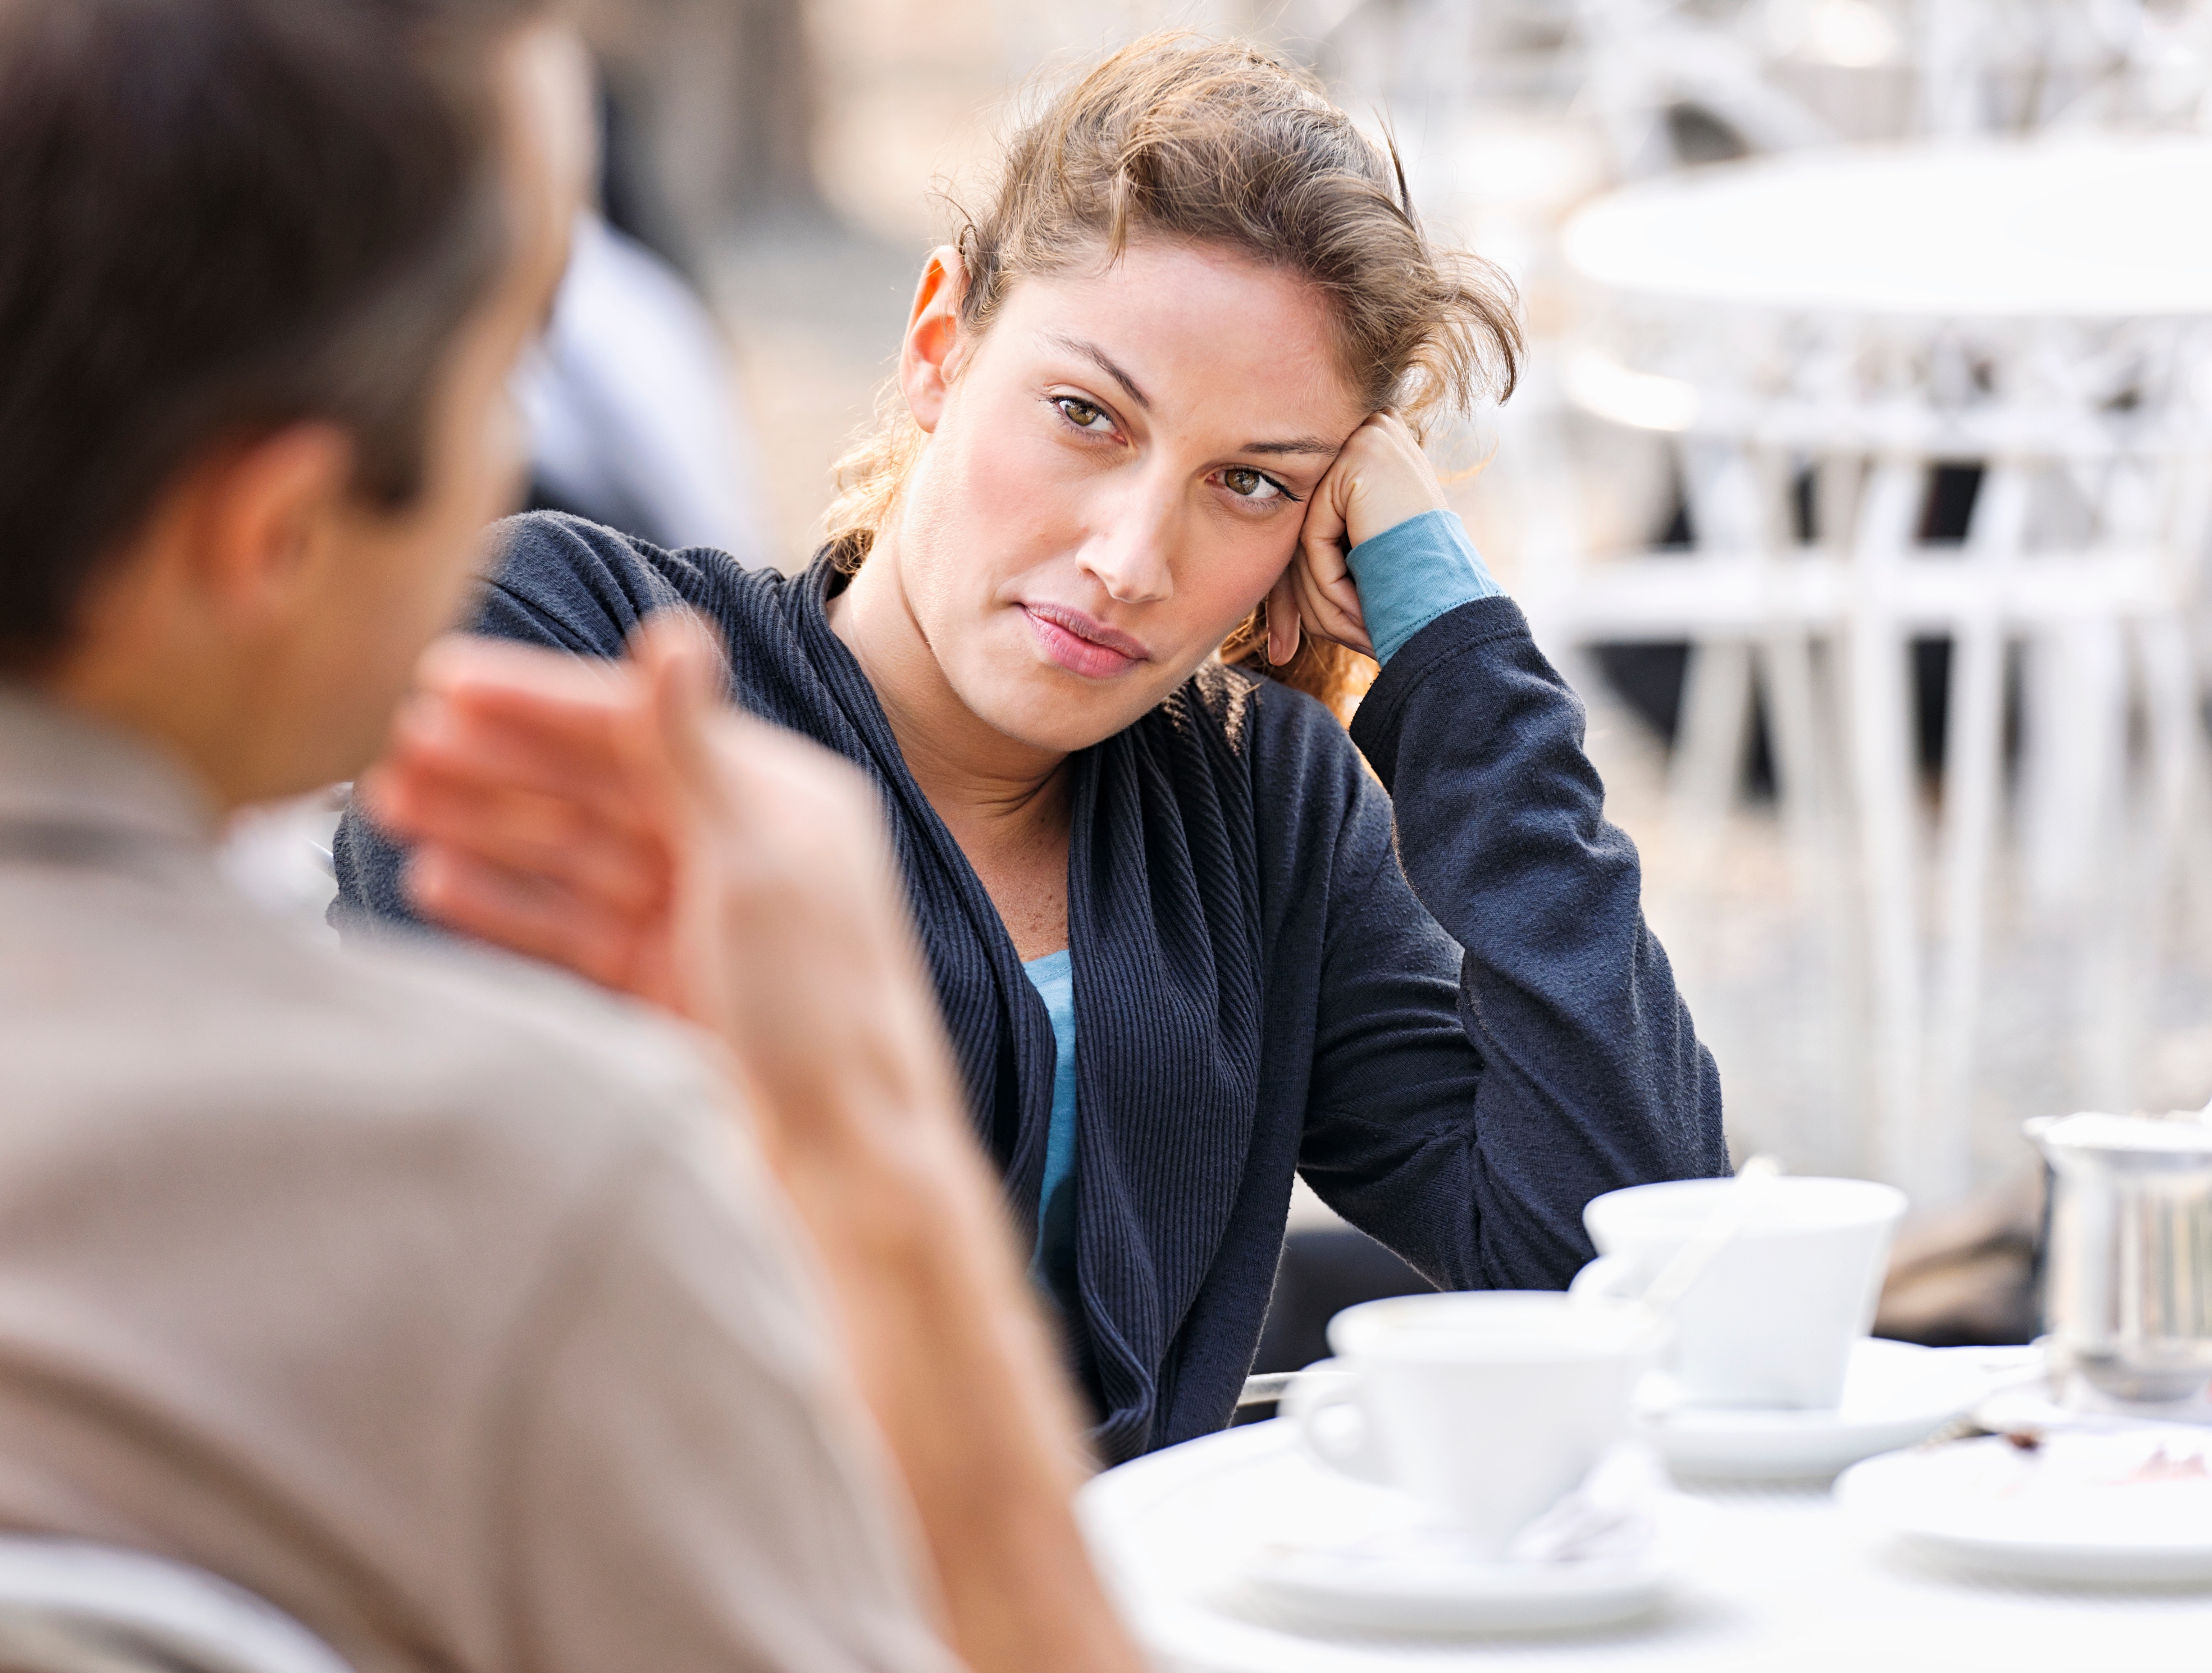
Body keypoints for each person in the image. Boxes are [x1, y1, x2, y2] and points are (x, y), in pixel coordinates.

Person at [337, 31, 1732, 1464]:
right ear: (940, 343)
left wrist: (1452, 665)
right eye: (1085, 415)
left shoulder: (1261, 811)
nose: (1130, 557)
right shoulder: (577, 643)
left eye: (1247, 482)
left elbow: (1630, 1263)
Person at [0, 2, 1142, 1671]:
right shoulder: (538, 1198)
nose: (523, 454)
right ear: (280, 528)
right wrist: (870, 1145)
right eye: (509, 357)